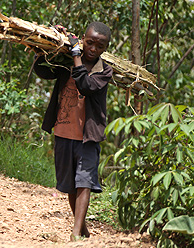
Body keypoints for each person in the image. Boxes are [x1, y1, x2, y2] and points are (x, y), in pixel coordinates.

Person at [33, 21, 113, 241]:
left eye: (99, 46)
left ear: (105, 48)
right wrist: (48, 45)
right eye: (89, 43)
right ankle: (84, 230)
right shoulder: (66, 62)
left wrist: (76, 53)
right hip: (63, 132)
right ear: (84, 39)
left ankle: (75, 234)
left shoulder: (104, 71)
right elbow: (42, 71)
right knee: (70, 186)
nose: (93, 49)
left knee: (84, 182)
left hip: (87, 137)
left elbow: (85, 86)